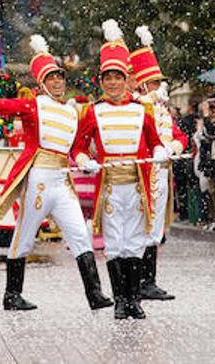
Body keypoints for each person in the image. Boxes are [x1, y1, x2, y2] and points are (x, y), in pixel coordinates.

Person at [0, 34, 110, 312]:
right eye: (51, 78)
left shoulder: (73, 112)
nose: (58, 82)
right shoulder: (33, 104)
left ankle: (95, 293)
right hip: (38, 179)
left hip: (62, 181)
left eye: (60, 77)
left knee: (79, 234)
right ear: (42, 82)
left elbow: (76, 147)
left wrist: (84, 159)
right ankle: (12, 294)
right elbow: (2, 106)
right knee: (24, 236)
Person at [70, 21, 165, 319]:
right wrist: (84, 161)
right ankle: (120, 300)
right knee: (114, 242)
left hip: (136, 186)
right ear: (101, 81)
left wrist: (160, 152)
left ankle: (135, 300)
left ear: (126, 79)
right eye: (107, 78)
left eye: (117, 77)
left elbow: (155, 141)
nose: (112, 83)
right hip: (109, 187)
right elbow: (78, 147)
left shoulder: (141, 110)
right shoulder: (94, 111)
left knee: (134, 242)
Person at [131, 28, 188, 300]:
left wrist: (173, 148)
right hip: (143, 173)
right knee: (143, 225)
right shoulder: (137, 107)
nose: (160, 86)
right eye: (155, 82)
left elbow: (179, 136)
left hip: (162, 172)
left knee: (155, 228)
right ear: (144, 85)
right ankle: (139, 281)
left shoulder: (163, 110)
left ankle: (148, 280)